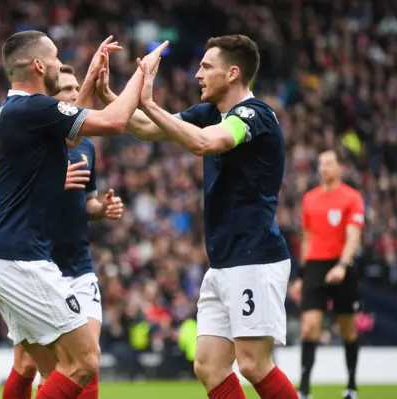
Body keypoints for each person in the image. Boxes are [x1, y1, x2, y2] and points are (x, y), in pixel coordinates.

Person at [98, 35, 298, 399]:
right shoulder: (209, 112)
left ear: (233, 73)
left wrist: (149, 103)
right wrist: (112, 98)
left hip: (255, 257)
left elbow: (205, 143)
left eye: (206, 67)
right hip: (223, 260)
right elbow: (145, 128)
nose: (197, 74)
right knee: (209, 365)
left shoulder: (255, 116)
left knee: (254, 364)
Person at [0, 30, 166, 399]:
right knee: (85, 361)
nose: (58, 61)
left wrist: (94, 73)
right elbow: (112, 122)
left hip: (4, 256)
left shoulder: (14, 111)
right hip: (22, 259)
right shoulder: (33, 108)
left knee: (53, 369)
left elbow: (69, 137)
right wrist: (142, 74)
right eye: (54, 56)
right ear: (37, 65)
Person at [0, 64, 124, 399]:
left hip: (78, 267)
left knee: (87, 361)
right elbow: (0, 198)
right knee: (29, 366)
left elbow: (85, 204)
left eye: (75, 88)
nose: (72, 94)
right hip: (36, 268)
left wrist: (102, 210)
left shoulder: (86, 148)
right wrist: (50, 183)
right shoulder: (31, 140)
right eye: (65, 90)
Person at [294, 150, 364, 399]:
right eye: (320, 164)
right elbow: (307, 238)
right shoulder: (309, 199)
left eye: (328, 164)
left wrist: (342, 266)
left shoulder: (352, 198)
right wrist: (302, 275)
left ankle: (351, 386)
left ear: (339, 168)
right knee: (309, 328)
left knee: (348, 329)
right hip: (315, 265)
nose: (323, 168)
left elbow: (353, 236)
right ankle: (303, 390)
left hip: (342, 265)